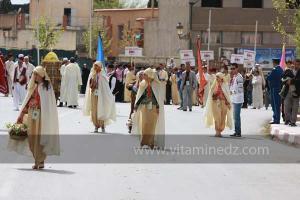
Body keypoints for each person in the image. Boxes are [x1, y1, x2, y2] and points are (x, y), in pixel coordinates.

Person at [8, 66, 60, 170]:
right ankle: (36, 159)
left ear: (41, 75)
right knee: (31, 138)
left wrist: (39, 104)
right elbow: (27, 101)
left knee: (40, 138)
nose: (34, 76)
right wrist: (22, 114)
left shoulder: (47, 87)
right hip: (32, 115)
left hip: (41, 116)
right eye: (34, 74)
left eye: (36, 74)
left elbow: (48, 104)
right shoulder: (33, 86)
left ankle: (40, 161)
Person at [133, 68, 165, 149]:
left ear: (149, 75)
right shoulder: (143, 84)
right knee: (144, 123)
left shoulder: (156, 85)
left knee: (152, 125)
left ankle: (151, 142)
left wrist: (158, 107)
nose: (143, 76)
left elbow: (158, 98)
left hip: (154, 107)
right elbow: (142, 95)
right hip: (145, 106)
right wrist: (137, 104)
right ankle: (143, 142)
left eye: (145, 75)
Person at [83, 61, 116, 133]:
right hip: (93, 95)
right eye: (94, 66)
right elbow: (89, 86)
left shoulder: (103, 75)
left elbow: (106, 88)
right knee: (94, 110)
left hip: (101, 96)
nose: (95, 67)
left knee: (101, 110)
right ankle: (96, 126)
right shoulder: (92, 74)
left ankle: (103, 126)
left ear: (100, 67)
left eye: (97, 66)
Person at [204, 72, 233, 137]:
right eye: (216, 77)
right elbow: (210, 95)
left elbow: (227, 95)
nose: (216, 78)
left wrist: (228, 103)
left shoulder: (225, 85)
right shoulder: (214, 85)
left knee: (223, 118)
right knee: (217, 118)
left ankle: (220, 130)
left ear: (221, 78)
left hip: (224, 103)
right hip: (215, 103)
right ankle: (217, 131)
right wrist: (214, 94)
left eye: (218, 77)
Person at [281, 59, 300, 126]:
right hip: (287, 91)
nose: (296, 66)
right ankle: (287, 120)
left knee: (295, 108)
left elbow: (298, 81)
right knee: (286, 106)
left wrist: (291, 81)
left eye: (298, 65)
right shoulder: (288, 70)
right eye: (295, 64)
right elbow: (283, 79)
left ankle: (293, 122)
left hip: (296, 92)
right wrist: (287, 81)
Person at [267, 59, 284, 124]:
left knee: (275, 105)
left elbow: (269, 78)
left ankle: (276, 119)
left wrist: (268, 74)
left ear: (274, 63)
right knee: (277, 104)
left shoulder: (274, 70)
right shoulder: (281, 69)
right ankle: (277, 119)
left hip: (274, 89)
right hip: (279, 88)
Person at [230, 64, 244, 137]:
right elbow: (232, 86)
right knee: (235, 116)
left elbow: (240, 89)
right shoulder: (234, 77)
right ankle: (236, 131)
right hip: (234, 99)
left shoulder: (239, 77)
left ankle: (238, 132)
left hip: (238, 99)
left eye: (233, 68)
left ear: (237, 68)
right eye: (231, 68)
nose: (232, 70)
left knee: (236, 116)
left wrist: (232, 92)